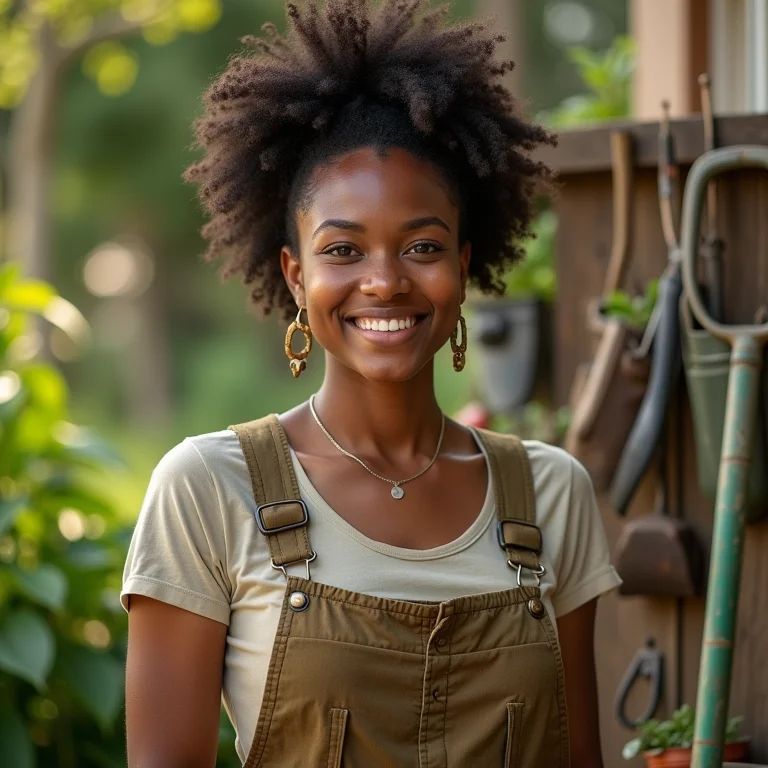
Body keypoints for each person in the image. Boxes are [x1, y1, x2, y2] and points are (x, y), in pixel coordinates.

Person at [122, 2, 622, 766]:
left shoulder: (552, 494)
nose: (385, 282)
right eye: (343, 250)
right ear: (296, 276)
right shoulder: (208, 489)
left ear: (463, 266)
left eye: (422, 246)